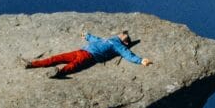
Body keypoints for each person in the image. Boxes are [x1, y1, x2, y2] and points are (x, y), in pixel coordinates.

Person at [24, 29, 153, 78]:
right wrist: (87, 35)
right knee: (56, 57)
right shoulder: (109, 39)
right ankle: (33, 64)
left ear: (126, 42)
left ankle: (59, 73)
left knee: (73, 65)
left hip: (89, 56)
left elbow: (127, 54)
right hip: (81, 51)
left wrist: (140, 60)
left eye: (125, 35)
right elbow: (95, 39)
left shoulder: (119, 46)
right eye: (123, 33)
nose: (122, 34)